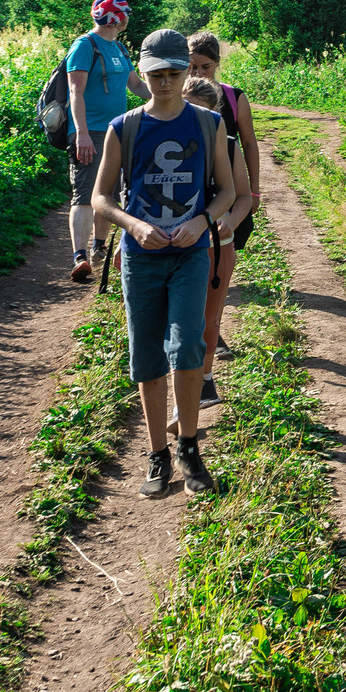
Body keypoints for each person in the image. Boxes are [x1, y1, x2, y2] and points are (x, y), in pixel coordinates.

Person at [94, 27, 241, 497]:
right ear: (142, 73)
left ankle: (189, 448)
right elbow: (100, 198)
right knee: (147, 356)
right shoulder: (124, 127)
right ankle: (158, 454)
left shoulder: (208, 124)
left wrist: (202, 221)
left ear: (186, 72)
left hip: (191, 254)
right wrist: (133, 226)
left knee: (189, 347)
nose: (164, 83)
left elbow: (228, 191)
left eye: (174, 74)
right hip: (142, 258)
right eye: (156, 74)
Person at [186, 33, 261, 372]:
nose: (198, 72)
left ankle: (212, 328)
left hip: (226, 194)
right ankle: (209, 334)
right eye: (191, 65)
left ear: (217, 64)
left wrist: (253, 191)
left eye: (205, 66)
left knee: (219, 264)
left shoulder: (233, 98)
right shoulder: (179, 98)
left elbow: (249, 143)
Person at [66, 0, 149, 284]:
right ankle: (80, 257)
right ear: (115, 18)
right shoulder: (84, 46)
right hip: (89, 133)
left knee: (108, 191)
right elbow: (75, 92)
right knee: (85, 192)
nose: (127, 18)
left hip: (118, 130)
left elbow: (135, 85)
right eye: (124, 14)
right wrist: (82, 133)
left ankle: (99, 247)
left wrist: (169, 95)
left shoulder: (119, 48)